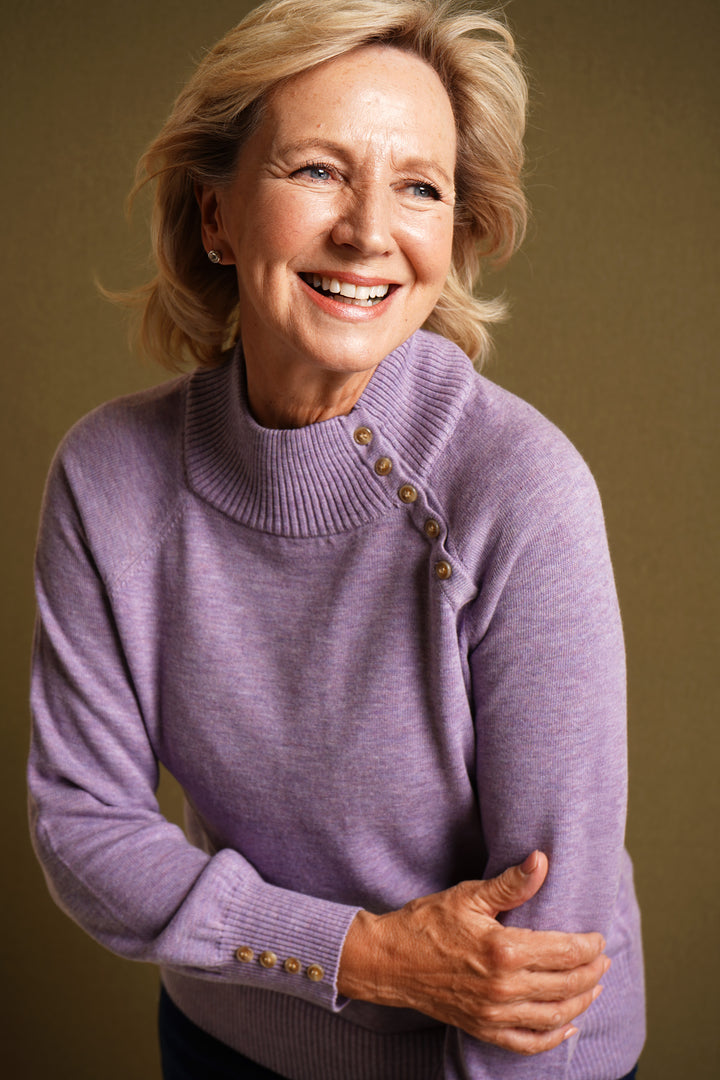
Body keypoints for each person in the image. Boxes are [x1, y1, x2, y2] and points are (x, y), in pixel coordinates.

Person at [28, 1, 645, 1077]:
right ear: (215, 214)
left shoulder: (520, 491)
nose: (370, 229)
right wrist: (358, 956)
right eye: (317, 170)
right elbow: (84, 828)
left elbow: (543, 972)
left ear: (453, 232)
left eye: (420, 186)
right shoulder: (108, 480)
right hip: (221, 1045)